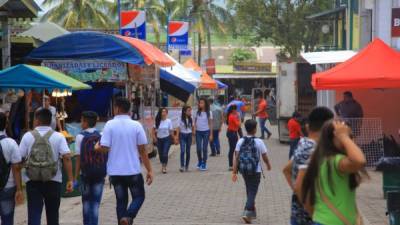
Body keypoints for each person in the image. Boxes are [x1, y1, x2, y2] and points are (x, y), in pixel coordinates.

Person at [95, 97, 153, 225]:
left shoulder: (109, 125)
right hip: (133, 171)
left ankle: (124, 219)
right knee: (139, 197)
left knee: (121, 201)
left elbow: (104, 148)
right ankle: (128, 217)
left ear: (117, 108)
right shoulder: (136, 125)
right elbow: (143, 151)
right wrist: (149, 170)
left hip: (115, 172)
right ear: (128, 110)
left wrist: (97, 148)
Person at [300, 120, 368, 225]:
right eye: (344, 136)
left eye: (351, 136)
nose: (350, 141)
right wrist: (344, 137)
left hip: (322, 220)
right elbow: (360, 161)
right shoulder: (336, 161)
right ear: (331, 139)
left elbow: (308, 199)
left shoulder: (322, 160)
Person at [19, 108, 74, 225]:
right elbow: (67, 157)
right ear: (50, 121)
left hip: (32, 180)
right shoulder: (58, 136)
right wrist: (70, 179)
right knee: (53, 214)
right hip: (53, 179)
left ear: (37, 120)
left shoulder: (27, 136)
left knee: (34, 214)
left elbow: (19, 159)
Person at [282, 107, 334, 225]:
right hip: (308, 219)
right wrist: (312, 213)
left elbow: (286, 170)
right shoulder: (312, 149)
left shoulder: (303, 143)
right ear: (327, 127)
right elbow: (300, 186)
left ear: (307, 126)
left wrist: (296, 192)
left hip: (298, 214)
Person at [232, 119, 272, 224]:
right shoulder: (259, 141)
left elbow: (236, 158)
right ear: (255, 129)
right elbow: (264, 156)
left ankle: (250, 215)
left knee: (249, 190)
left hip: (244, 170)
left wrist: (234, 172)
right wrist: (268, 164)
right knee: (252, 192)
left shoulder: (240, 141)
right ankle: (247, 213)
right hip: (256, 171)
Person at [75, 111, 107, 225]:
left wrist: (75, 177)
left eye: (81, 120)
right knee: (95, 204)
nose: (80, 123)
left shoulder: (79, 137)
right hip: (99, 173)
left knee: (86, 202)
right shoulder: (101, 135)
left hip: (85, 174)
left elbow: (78, 159)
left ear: (85, 122)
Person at [0, 112, 24, 225]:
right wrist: (19, 189)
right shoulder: (11, 143)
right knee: (7, 219)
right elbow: (16, 168)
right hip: (7, 186)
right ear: (5, 125)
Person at [152, 107, 174, 174]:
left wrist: (174, 138)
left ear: (167, 113)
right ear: (160, 113)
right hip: (159, 140)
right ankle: (162, 163)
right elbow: (152, 131)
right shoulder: (157, 121)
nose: (164, 113)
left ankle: (164, 167)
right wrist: (154, 138)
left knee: (165, 153)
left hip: (167, 139)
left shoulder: (169, 121)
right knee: (161, 154)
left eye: (165, 112)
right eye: (162, 112)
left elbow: (171, 131)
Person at [194, 98, 213, 171]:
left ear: (205, 104)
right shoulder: (196, 112)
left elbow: (210, 124)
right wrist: (194, 130)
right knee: (198, 148)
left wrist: (211, 134)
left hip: (206, 132)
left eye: (202, 103)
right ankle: (200, 161)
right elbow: (194, 122)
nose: (200, 104)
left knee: (204, 149)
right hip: (198, 132)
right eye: (199, 103)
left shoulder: (209, 112)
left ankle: (204, 163)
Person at [177, 105, 194, 172]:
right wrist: (177, 137)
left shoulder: (191, 118)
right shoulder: (180, 118)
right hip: (182, 135)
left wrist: (193, 136)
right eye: (188, 111)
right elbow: (178, 128)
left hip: (189, 135)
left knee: (188, 151)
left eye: (190, 110)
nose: (190, 112)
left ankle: (187, 165)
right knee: (182, 151)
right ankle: (182, 166)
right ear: (184, 111)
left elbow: (192, 127)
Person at [226, 105, 241, 171]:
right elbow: (238, 124)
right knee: (233, 149)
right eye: (235, 110)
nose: (236, 111)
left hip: (233, 133)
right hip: (232, 133)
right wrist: (239, 118)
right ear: (233, 110)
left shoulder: (232, 116)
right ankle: (231, 165)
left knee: (234, 149)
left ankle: (234, 164)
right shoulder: (232, 116)